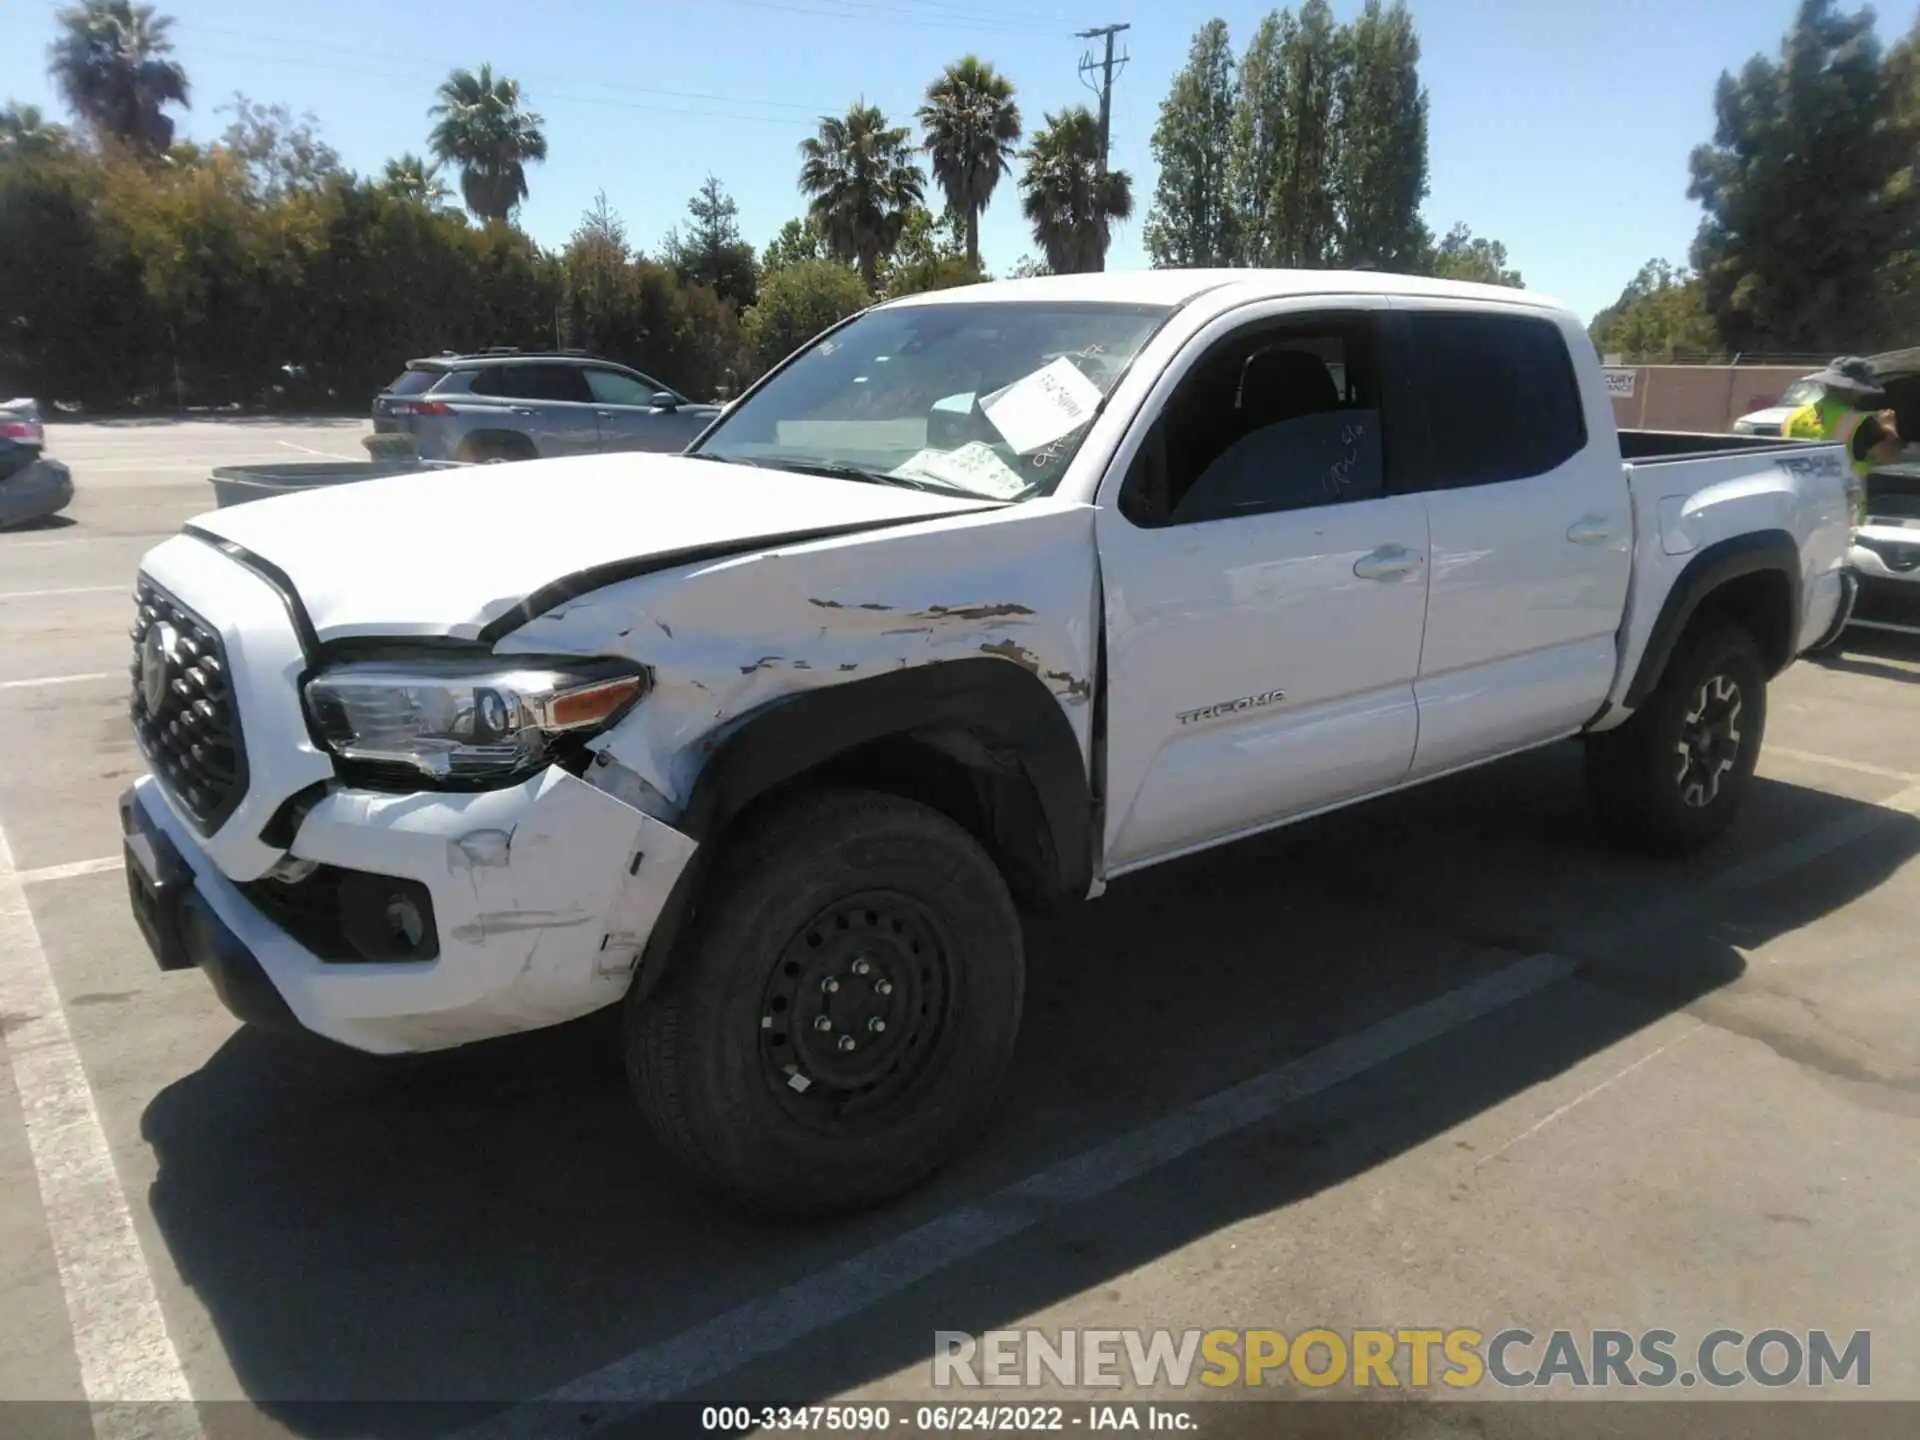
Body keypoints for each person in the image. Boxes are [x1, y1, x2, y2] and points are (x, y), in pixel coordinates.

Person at [1781, 356, 1904, 499]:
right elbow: (1887, 457)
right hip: (1843, 502)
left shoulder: (1794, 417)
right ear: (1855, 390)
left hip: (1802, 498)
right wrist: (1889, 427)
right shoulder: (1860, 423)